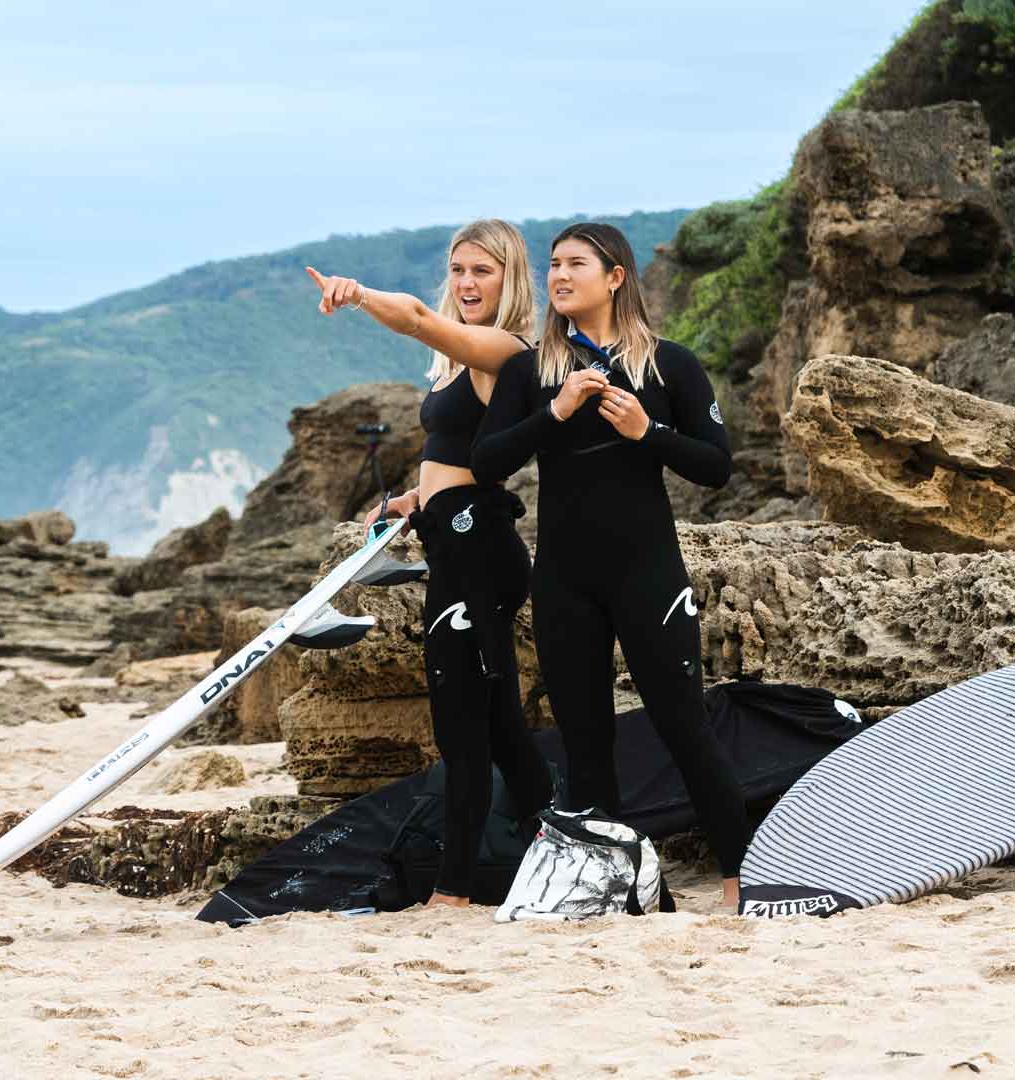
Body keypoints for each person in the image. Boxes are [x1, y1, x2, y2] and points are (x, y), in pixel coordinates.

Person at [470, 222, 747, 908]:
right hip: (565, 579)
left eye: (576, 264)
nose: (559, 276)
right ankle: (622, 895)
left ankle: (742, 881)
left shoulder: (670, 365)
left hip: (646, 571)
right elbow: (487, 464)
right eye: (554, 264)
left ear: (616, 276)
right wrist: (555, 413)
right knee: (586, 742)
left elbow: (717, 467)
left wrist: (646, 433)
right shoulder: (529, 370)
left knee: (685, 726)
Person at [304, 219, 554, 908]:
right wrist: (415, 496)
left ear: (510, 279)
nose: (467, 283)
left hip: (478, 551)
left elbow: (414, 318)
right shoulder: (468, 361)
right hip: (457, 535)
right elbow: (467, 454)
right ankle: (567, 841)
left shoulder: (502, 348)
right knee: (499, 725)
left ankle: (453, 891)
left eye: (484, 271)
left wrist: (355, 295)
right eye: (459, 270)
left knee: (462, 723)